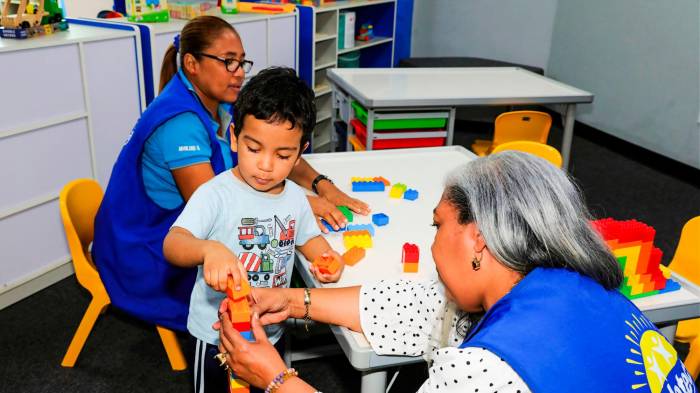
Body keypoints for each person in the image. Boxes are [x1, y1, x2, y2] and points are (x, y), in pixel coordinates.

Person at [215, 151, 697, 393]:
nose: (431, 242)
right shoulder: (573, 286)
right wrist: (296, 301)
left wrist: (276, 379)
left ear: (479, 238)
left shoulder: (483, 373)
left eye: (438, 224)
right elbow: (421, 308)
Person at [92, 16, 367, 332]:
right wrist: (299, 205)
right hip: (144, 248)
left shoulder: (217, 101)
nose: (239, 73)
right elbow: (216, 210)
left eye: (241, 63)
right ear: (192, 64)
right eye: (228, 63)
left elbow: (276, 142)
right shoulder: (181, 126)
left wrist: (320, 187)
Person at [163, 66, 344, 393]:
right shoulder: (215, 194)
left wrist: (329, 259)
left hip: (270, 329)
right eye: (254, 148)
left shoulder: (296, 199)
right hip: (218, 335)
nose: (265, 164)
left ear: (301, 152)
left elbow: (309, 241)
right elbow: (174, 244)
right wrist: (209, 249)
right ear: (234, 136)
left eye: (282, 154)